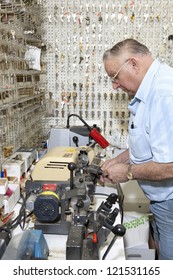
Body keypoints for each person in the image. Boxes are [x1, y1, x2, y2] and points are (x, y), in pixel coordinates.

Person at [100, 38, 173, 260]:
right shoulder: (147, 91)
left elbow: (169, 166)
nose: (114, 85)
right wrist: (119, 160)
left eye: (114, 77)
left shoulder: (163, 95)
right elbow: (149, 144)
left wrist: (128, 172)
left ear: (133, 64)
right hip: (162, 203)